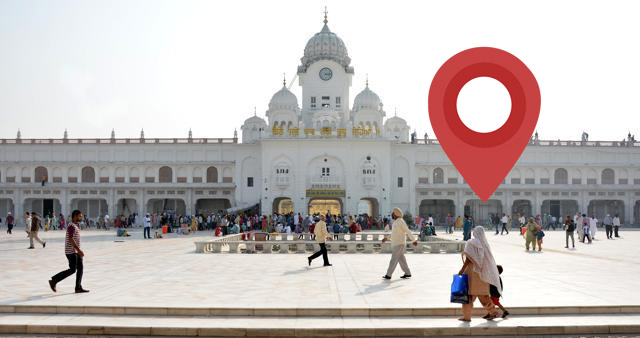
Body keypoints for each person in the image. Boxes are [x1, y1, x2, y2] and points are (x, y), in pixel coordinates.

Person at [458, 226, 500, 322]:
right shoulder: (485, 244)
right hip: (483, 273)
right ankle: (493, 312)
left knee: (468, 296)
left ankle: (467, 317)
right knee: (483, 295)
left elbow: (468, 258)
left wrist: (462, 269)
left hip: (472, 272)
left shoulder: (471, 243)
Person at [49, 209, 89, 293]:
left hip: (75, 251)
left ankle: (78, 287)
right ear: (75, 216)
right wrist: (79, 250)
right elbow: (70, 239)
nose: (81, 217)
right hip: (71, 252)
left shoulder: (76, 225)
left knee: (80, 268)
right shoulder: (71, 226)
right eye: (80, 216)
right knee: (72, 270)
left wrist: (78, 251)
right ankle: (54, 280)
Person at [382, 208, 418, 280]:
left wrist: (413, 240)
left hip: (399, 244)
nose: (392, 214)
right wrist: (386, 238)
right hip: (396, 244)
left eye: (393, 213)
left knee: (393, 259)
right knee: (401, 260)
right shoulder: (395, 222)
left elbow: (407, 231)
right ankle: (407, 273)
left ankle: (388, 275)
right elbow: (393, 233)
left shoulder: (401, 221)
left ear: (396, 214)